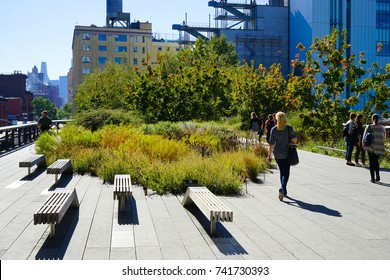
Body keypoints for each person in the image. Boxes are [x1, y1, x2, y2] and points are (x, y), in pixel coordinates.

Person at [267, 112, 297, 201]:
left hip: (277, 154)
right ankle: (282, 188)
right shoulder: (289, 128)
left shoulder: (274, 129)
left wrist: (269, 155)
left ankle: (284, 190)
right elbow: (295, 140)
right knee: (286, 172)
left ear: (276, 120)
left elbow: (271, 144)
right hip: (287, 153)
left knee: (282, 171)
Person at [362, 114, 386, 183]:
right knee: (376, 161)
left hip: (370, 147)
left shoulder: (369, 127)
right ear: (378, 119)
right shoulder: (382, 127)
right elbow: (384, 137)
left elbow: (364, 138)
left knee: (371, 163)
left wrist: (363, 144)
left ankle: (372, 178)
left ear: (372, 119)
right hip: (379, 147)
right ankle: (377, 175)